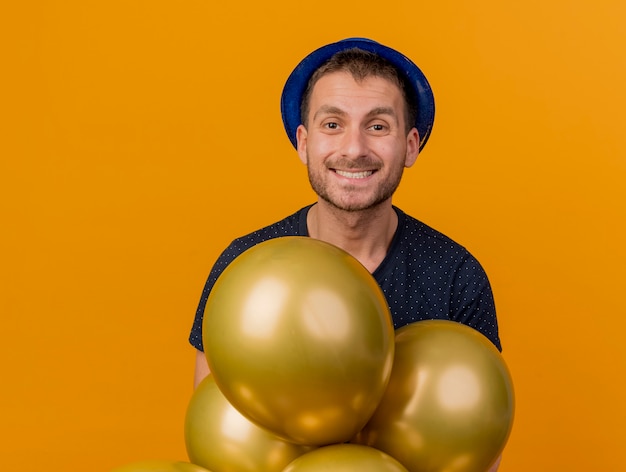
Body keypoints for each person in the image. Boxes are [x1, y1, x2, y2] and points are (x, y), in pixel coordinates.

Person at [189, 36, 503, 471]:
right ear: (303, 142)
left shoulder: (454, 275)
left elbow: (479, 443)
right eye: (332, 124)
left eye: (377, 126)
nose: (353, 149)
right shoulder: (246, 269)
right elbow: (214, 431)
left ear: (411, 145)